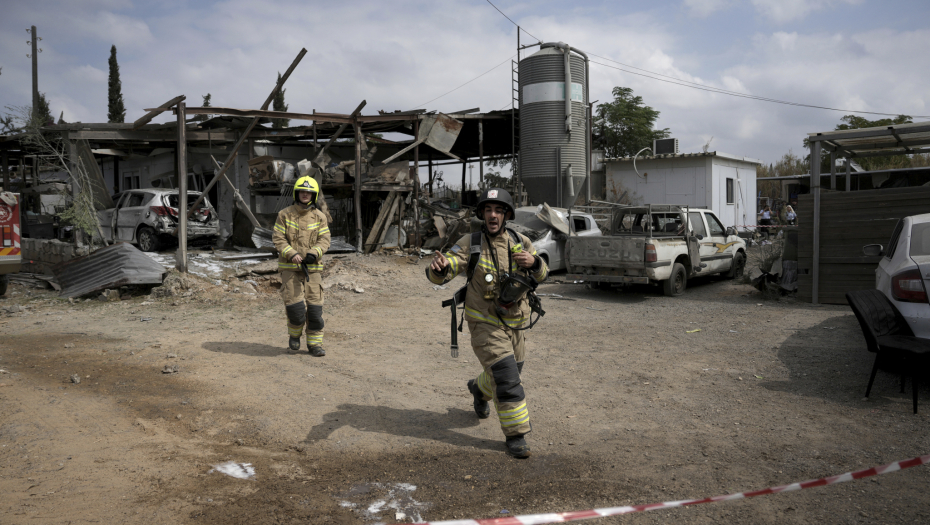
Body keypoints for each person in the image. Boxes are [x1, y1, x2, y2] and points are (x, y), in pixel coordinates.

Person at [425, 188, 549, 458]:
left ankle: (479, 390)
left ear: (506, 214)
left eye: (498, 210)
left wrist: (535, 262)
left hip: (516, 322)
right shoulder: (471, 242)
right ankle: (516, 435)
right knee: (506, 379)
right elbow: (449, 268)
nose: (493, 215)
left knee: (510, 370)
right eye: (488, 210)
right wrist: (439, 269)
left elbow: (542, 274)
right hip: (484, 323)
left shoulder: (520, 241)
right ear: (482, 214)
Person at [273, 176, 331, 356]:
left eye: (309, 192)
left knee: (315, 310)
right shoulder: (284, 214)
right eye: (302, 192)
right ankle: (294, 335)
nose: (305, 195)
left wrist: (315, 252)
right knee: (296, 310)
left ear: (313, 196)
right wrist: (292, 254)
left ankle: (315, 345)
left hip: (313, 270)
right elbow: (278, 238)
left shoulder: (320, 217)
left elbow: (325, 239)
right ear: (297, 193)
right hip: (290, 269)